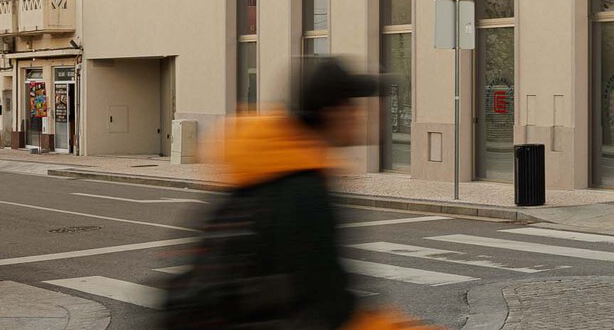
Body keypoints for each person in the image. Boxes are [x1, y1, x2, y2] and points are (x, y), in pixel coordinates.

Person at [160, 59, 431, 330]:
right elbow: (331, 311)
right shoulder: (303, 193)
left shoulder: (263, 175)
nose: (358, 114)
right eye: (351, 105)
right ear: (333, 113)